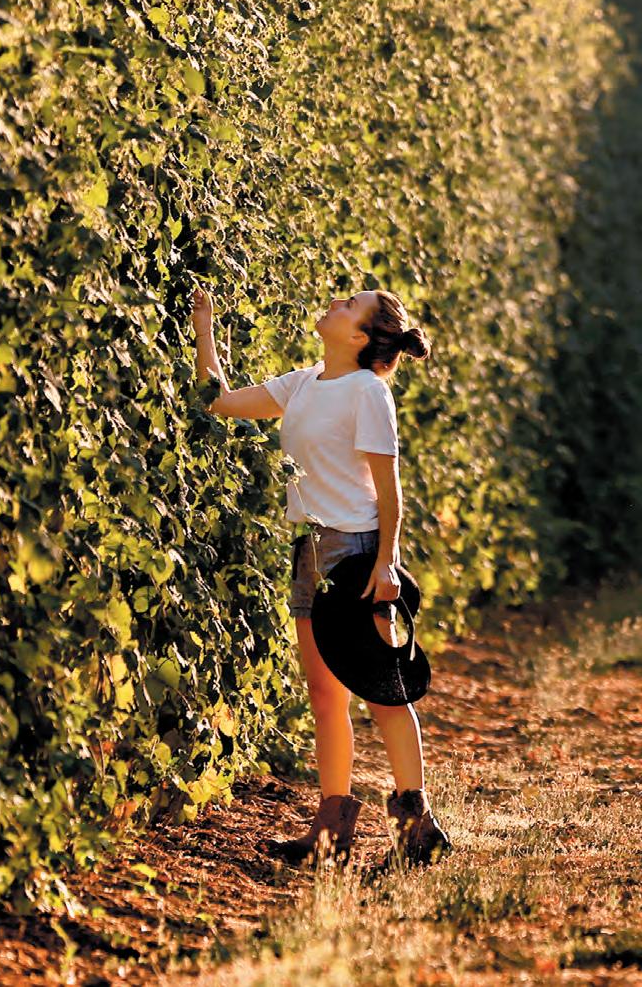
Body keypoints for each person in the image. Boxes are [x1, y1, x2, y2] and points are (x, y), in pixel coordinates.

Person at [190, 279, 453, 871]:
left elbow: (389, 490)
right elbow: (221, 402)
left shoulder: (368, 392)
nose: (336, 302)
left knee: (383, 690)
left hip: (355, 553)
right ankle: (330, 836)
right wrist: (205, 328)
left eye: (349, 305)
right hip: (309, 547)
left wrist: (386, 562)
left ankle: (418, 829)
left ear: (359, 337)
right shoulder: (305, 382)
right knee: (325, 694)